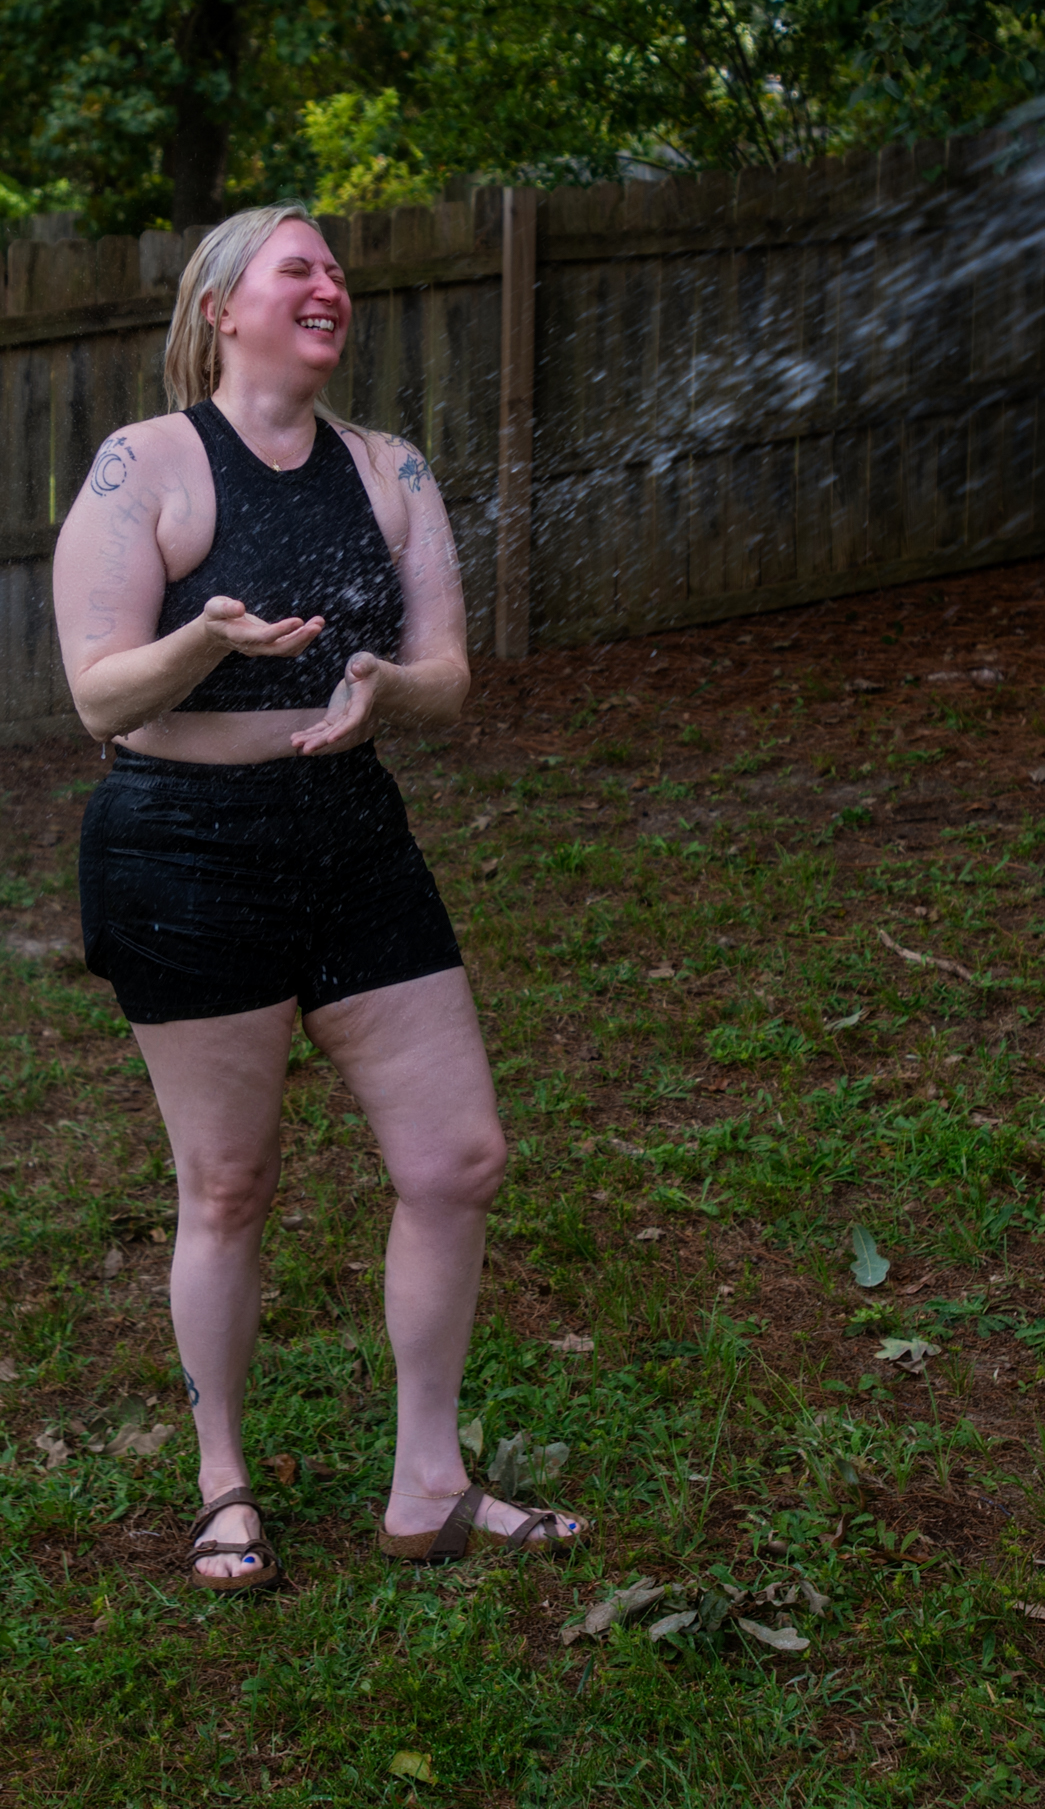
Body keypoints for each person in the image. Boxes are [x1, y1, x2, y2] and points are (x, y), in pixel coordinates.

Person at [53, 204, 580, 1592]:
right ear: (223, 306)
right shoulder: (147, 464)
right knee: (228, 1184)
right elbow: (97, 695)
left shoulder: (391, 466)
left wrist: (385, 687)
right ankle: (223, 1480)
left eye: (337, 269)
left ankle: (428, 1485)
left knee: (456, 1159)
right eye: (299, 266)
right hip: (184, 846)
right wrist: (205, 641)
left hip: (351, 837)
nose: (329, 284)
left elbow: (448, 677)